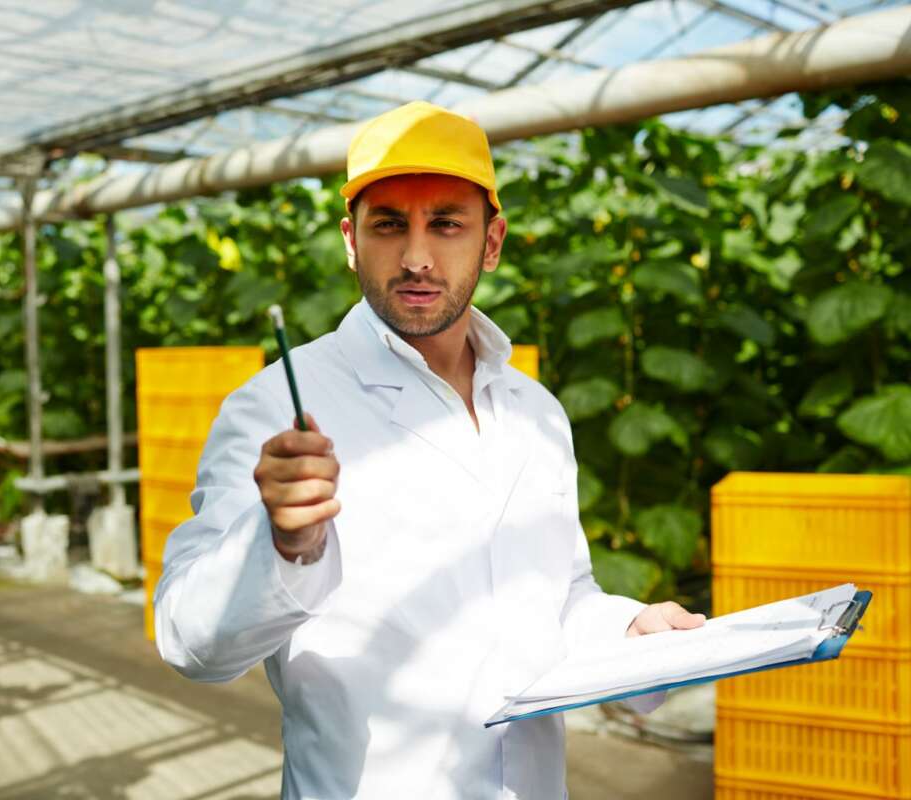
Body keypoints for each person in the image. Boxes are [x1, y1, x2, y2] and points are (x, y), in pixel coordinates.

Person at [154, 100, 705, 799]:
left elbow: (557, 597)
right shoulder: (274, 411)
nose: (417, 257)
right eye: (389, 225)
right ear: (352, 240)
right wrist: (282, 545)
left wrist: (628, 627)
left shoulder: (535, 412)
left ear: (493, 242)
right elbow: (187, 642)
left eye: (446, 224)